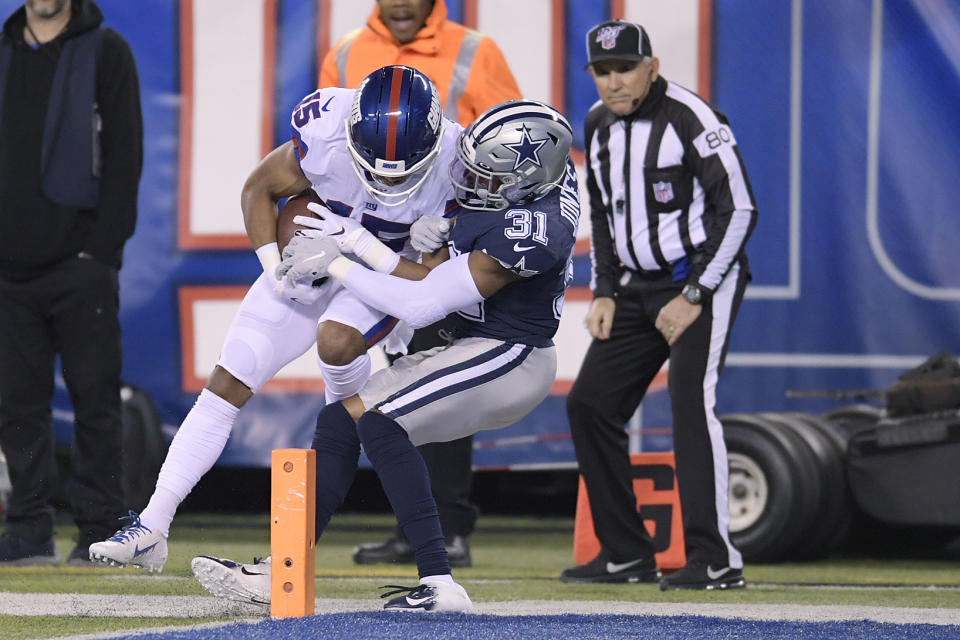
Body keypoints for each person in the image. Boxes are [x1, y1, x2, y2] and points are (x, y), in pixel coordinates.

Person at [190, 99, 579, 612]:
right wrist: (423, 243)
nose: (470, 183)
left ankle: (441, 584)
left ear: (526, 182)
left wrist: (349, 254)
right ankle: (281, 571)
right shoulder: (532, 181)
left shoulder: (536, 227)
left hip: (511, 355)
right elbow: (438, 265)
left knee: (381, 422)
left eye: (486, 179)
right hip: (471, 343)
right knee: (340, 421)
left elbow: (423, 303)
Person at [88, 65, 461, 572]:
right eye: (372, 165)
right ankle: (152, 527)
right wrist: (274, 267)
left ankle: (293, 559)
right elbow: (258, 188)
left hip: (376, 279)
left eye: (403, 168)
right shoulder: (325, 131)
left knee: (336, 368)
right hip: (309, 261)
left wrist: (360, 246)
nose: (386, 179)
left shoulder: (458, 165)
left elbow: (432, 286)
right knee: (230, 376)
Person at [321, 0, 523, 568]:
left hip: (443, 243)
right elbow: (327, 158)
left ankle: (448, 526)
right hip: (371, 238)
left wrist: (458, 225)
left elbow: (510, 161)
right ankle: (414, 525)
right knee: (397, 384)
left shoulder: (474, 51)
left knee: (441, 379)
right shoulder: (345, 52)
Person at [560, 21, 757, 590]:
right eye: (602, 71)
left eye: (625, 68)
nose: (614, 81)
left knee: (690, 402)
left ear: (653, 66)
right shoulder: (596, 127)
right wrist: (601, 289)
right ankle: (626, 555)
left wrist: (695, 293)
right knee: (590, 405)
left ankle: (715, 559)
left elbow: (739, 210)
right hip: (633, 287)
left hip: (700, 280)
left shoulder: (693, 117)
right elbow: (600, 215)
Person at [0, 0, 142, 567]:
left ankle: (101, 531)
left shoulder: (107, 50)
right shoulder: (5, 49)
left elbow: (127, 152)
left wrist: (99, 251)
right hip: (7, 269)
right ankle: (29, 531)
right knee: (16, 404)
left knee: (96, 400)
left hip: (80, 266)